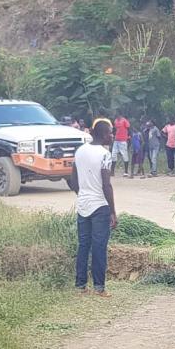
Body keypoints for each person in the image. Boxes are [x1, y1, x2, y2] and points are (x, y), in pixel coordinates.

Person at [69, 121, 117, 298]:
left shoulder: (80, 151)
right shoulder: (105, 154)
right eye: (110, 133)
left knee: (84, 245)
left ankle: (81, 285)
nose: (112, 136)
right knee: (99, 246)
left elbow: (73, 179)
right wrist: (112, 211)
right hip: (100, 206)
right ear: (103, 134)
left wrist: (81, 194)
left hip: (83, 205)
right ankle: (99, 287)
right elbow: (106, 185)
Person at [112, 112, 131, 177]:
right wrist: (113, 135)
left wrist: (129, 137)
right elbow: (115, 129)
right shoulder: (115, 121)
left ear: (120, 115)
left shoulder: (124, 121)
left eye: (117, 115)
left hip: (123, 141)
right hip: (116, 140)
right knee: (113, 155)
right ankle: (112, 171)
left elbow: (129, 129)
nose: (116, 116)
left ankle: (126, 172)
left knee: (124, 155)